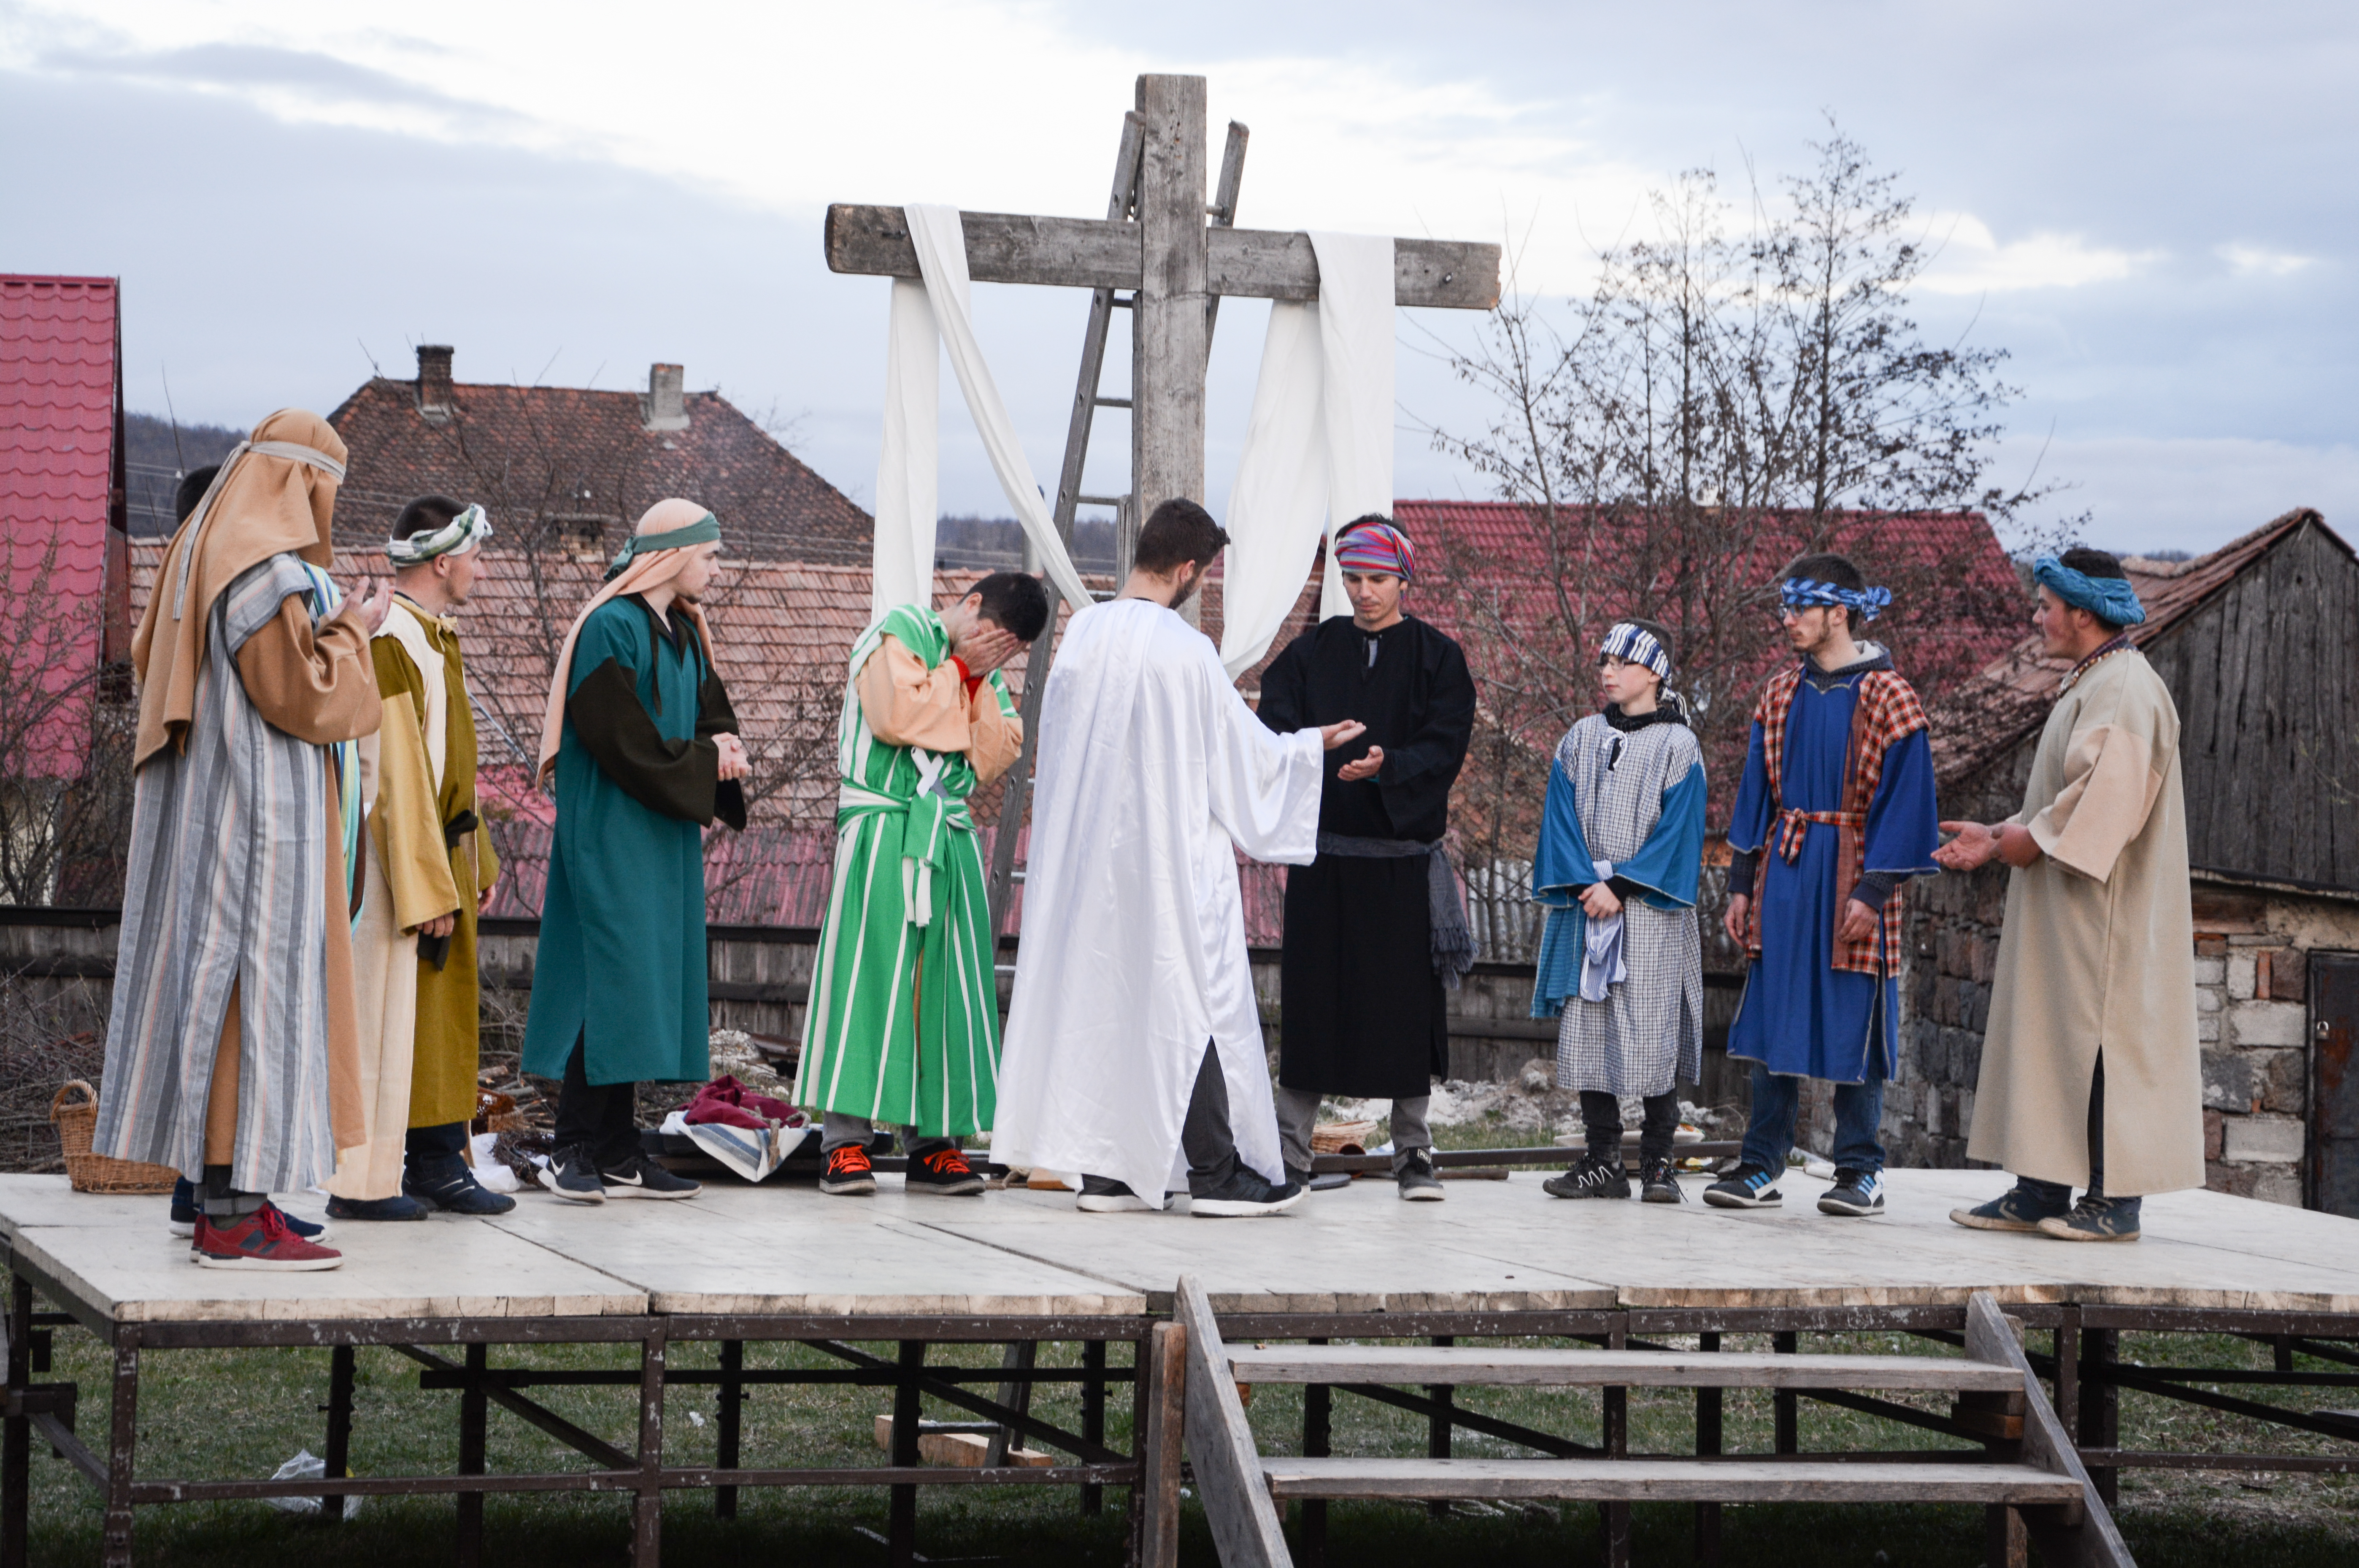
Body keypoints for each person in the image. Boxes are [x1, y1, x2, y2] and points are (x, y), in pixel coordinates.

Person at [992, 499, 1365, 1217]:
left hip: (1086, 865)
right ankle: (1218, 1171)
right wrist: (1304, 749)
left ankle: (1105, 1170)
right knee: (1192, 1005)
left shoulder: (1083, 634)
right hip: (1166, 862)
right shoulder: (1185, 649)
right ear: (1190, 570)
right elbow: (1239, 757)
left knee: (1107, 1004)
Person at [99, 410, 387, 1271]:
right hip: (256, 826)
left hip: (216, 812)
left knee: (229, 1001)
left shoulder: (199, 547)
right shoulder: (259, 569)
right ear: (299, 481)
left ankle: (235, 1203)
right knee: (250, 1004)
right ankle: (232, 1217)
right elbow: (300, 694)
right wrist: (355, 631)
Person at [1939, 550, 2202, 1242]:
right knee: (2051, 1038)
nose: (2037, 617)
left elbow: (2103, 806)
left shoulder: (2124, 688)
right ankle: (2042, 1188)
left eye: (2046, 605)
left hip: (2104, 916)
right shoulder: (2094, 679)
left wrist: (2014, 843)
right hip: (2066, 909)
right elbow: (2065, 799)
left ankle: (2115, 1202)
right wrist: (2001, 832)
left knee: (2099, 1043)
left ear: (2082, 614)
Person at [521, 499, 750, 1203]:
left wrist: (727, 750)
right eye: (709, 554)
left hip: (661, 831)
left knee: (643, 984)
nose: (716, 567)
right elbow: (617, 737)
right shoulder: (608, 628)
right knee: (611, 981)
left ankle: (620, 1152)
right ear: (674, 553)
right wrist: (702, 762)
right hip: (613, 827)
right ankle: (572, 1148)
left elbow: (710, 713)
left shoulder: (681, 628)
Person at [797, 572, 1047, 1197]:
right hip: (884, 827)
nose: (996, 655)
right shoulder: (902, 631)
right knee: (869, 976)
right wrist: (960, 671)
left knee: (944, 990)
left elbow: (999, 751)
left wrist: (974, 674)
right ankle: (843, 1142)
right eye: (992, 639)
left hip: (948, 835)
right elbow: (893, 716)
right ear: (969, 607)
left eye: (1009, 652)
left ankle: (935, 1145)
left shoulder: (979, 671)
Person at [1706, 555, 1940, 1218]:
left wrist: (1874, 891)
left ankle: (1861, 1170)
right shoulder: (1779, 693)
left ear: (1838, 613)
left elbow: (1907, 804)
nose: (1787, 621)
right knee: (1775, 1010)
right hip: (1786, 866)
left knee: (1854, 1016)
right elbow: (1757, 792)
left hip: (1853, 872)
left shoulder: (1892, 697)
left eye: (1798, 609)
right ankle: (1760, 1164)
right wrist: (1743, 885)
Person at [1255, 516, 1475, 1200]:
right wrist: (1313, 746)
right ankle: (1291, 1158)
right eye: (1353, 579)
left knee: (1405, 1016)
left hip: (1403, 867)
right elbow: (1272, 724)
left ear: (1404, 579)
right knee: (1313, 1013)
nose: (1364, 592)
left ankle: (1413, 1155)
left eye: (1377, 579)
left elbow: (1446, 744)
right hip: (1325, 867)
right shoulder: (1311, 651)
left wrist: (1388, 767)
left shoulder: (1440, 658)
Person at [323, 496, 512, 1222]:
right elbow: (392, 775)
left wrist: (479, 860)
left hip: (440, 853)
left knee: (434, 1021)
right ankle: (370, 1179)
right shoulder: (395, 640)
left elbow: (455, 764)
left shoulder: (432, 634)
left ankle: (436, 1161)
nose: (481, 571)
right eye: (475, 558)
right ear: (442, 562)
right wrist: (427, 885)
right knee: (387, 1017)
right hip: (400, 862)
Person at [1531, 620, 1708, 1203]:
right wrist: (1588, 884)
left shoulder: (1679, 746)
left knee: (1651, 1030)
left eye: (1621, 662)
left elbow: (1679, 834)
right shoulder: (1580, 738)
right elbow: (1559, 817)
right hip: (1588, 906)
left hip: (1650, 914)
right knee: (1587, 1032)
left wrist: (1624, 887)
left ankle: (1658, 1162)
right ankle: (1603, 1161)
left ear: (1654, 672)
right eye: (1603, 660)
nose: (1607, 671)